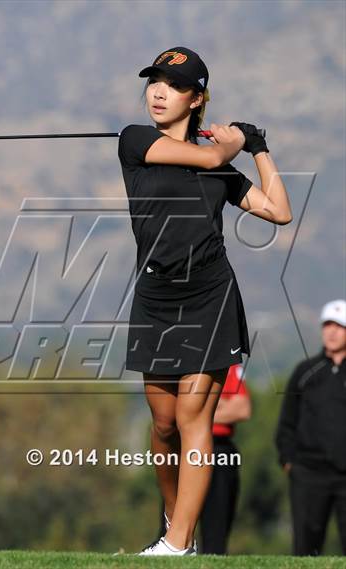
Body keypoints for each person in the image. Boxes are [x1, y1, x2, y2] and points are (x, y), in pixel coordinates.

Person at [118, 46, 292, 556]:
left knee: (195, 420)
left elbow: (279, 211)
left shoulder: (219, 170)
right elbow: (214, 153)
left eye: (171, 85)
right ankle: (176, 520)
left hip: (209, 300)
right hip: (154, 297)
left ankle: (177, 543)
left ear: (195, 99)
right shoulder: (135, 141)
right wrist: (235, 139)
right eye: (154, 81)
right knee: (164, 424)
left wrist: (258, 146)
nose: (157, 91)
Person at [275, 299, 346, 556]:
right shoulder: (305, 371)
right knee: (306, 550)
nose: (332, 331)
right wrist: (288, 460)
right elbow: (287, 421)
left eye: (339, 326)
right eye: (327, 325)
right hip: (309, 473)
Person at [157, 363, 252, 554]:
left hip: (220, 449)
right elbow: (171, 414)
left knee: (216, 533)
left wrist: (195, 416)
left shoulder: (225, 362)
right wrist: (212, 407)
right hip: (183, 451)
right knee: (171, 524)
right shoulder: (175, 360)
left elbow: (242, 409)